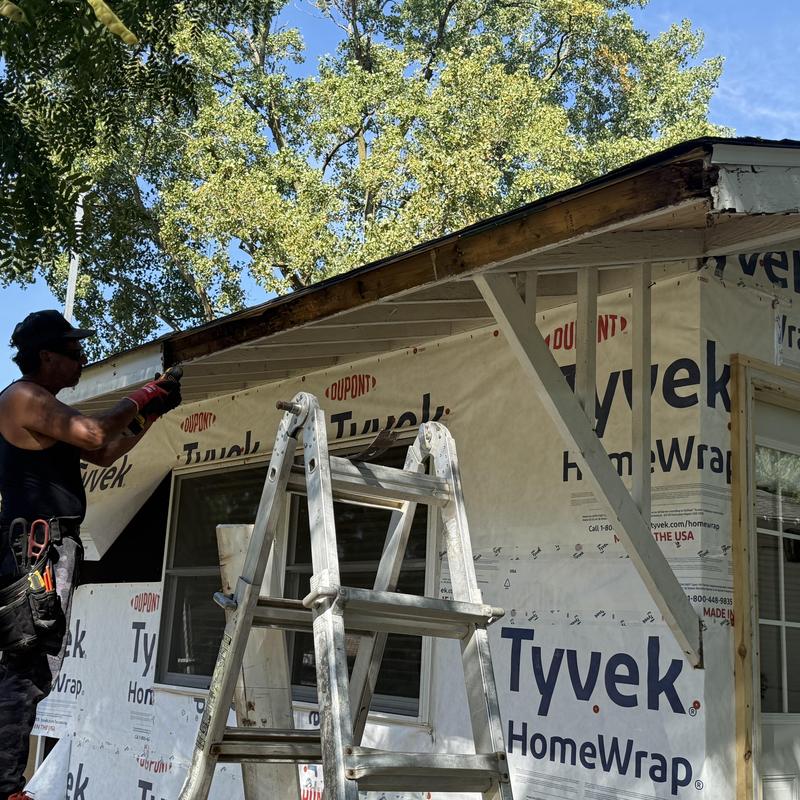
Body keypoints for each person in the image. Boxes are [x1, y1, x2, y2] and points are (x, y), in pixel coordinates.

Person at [0, 310, 182, 800]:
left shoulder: (44, 410)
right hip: (35, 550)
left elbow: (103, 453)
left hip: (47, 547)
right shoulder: (24, 398)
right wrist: (146, 392)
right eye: (75, 352)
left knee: (35, 666)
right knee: (27, 664)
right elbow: (100, 433)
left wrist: (154, 412)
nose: (83, 360)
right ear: (46, 356)